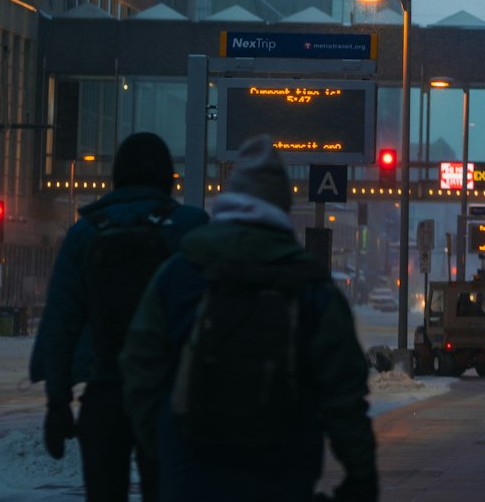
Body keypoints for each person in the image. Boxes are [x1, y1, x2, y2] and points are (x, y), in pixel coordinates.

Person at [120, 134, 378, 502]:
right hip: (281, 475)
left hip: (191, 473)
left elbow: (138, 367)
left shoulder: (179, 273)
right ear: (281, 210)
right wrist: (360, 473)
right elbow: (344, 394)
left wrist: (163, 443)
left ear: (229, 202)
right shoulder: (312, 288)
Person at [30, 132, 208, 502]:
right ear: (169, 181)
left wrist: (57, 402)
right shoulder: (193, 228)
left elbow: (61, 321)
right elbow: (216, 317)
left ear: (116, 180)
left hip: (104, 393)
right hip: (170, 400)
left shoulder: (85, 233)